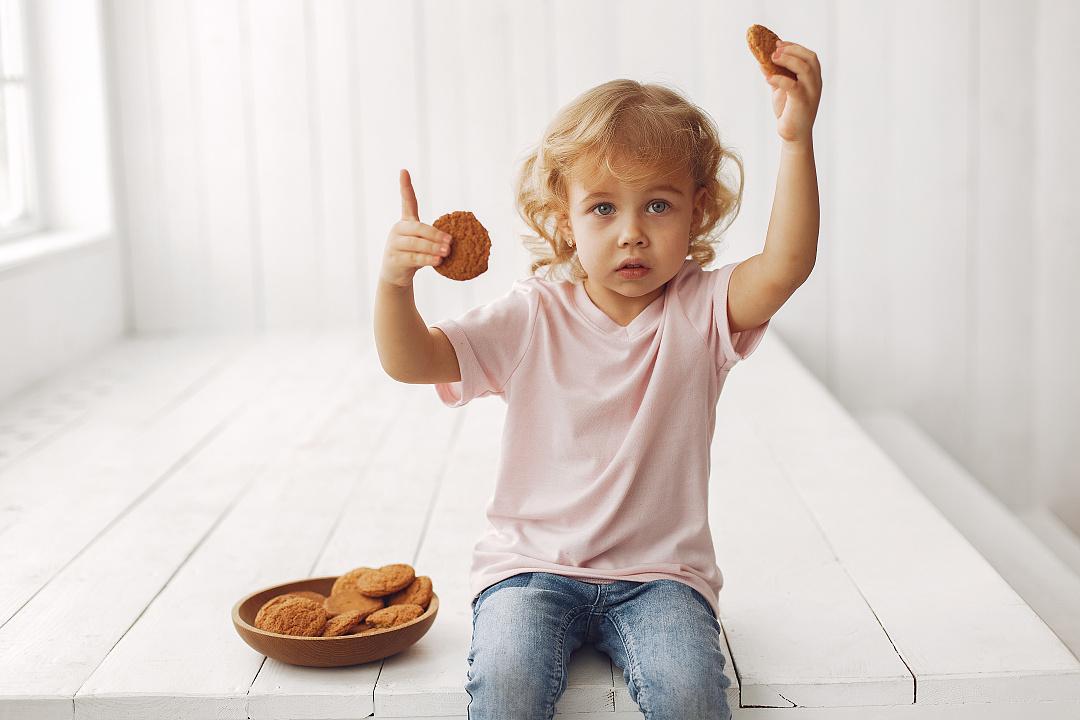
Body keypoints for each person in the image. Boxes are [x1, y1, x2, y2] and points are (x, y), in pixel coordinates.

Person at [375, 38, 821, 720]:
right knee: (506, 684)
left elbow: (786, 264)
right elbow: (411, 361)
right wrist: (394, 282)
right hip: (529, 570)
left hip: (662, 580)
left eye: (659, 206)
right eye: (604, 208)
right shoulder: (531, 316)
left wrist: (796, 142)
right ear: (565, 221)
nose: (632, 233)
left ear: (697, 211)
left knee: (693, 697)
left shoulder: (703, 310)